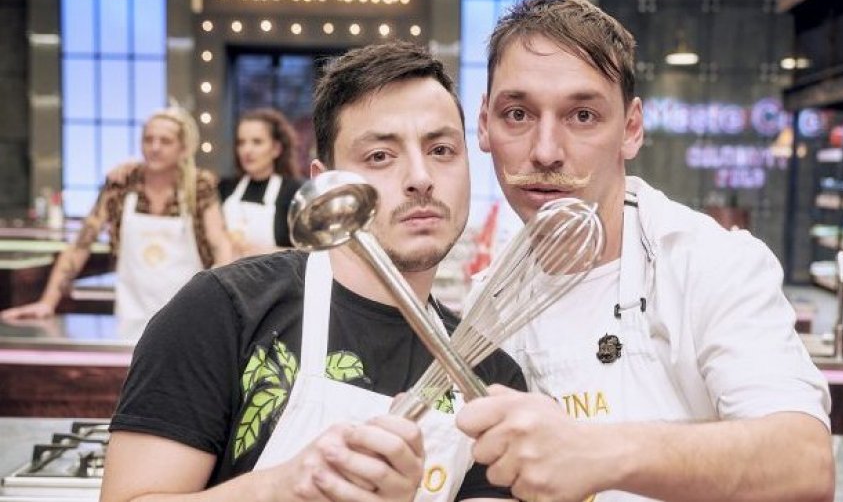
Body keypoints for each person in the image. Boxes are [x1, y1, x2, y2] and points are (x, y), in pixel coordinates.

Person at [101, 41, 527, 502]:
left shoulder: (488, 376)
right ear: (326, 184)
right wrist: (279, 488)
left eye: (442, 149)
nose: (420, 177)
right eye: (380, 156)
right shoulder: (223, 312)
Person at [455, 0, 835, 502]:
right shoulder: (491, 299)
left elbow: (804, 465)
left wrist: (596, 453)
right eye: (518, 113)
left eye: (582, 115)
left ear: (631, 129)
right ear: (484, 124)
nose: (545, 151)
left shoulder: (708, 262)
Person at [1, 107, 233, 325]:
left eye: (165, 141)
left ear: (184, 148)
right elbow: (81, 245)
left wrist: (222, 305)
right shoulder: (121, 184)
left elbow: (220, 246)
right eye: (148, 139)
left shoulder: (198, 187)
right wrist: (47, 302)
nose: (154, 147)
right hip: (131, 314)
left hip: (188, 316)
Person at [219, 108, 304, 258]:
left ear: (276, 149)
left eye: (257, 142)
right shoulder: (224, 187)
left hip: (276, 272)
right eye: (241, 143)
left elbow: (307, 253)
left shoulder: (295, 192)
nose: (247, 150)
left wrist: (267, 252)